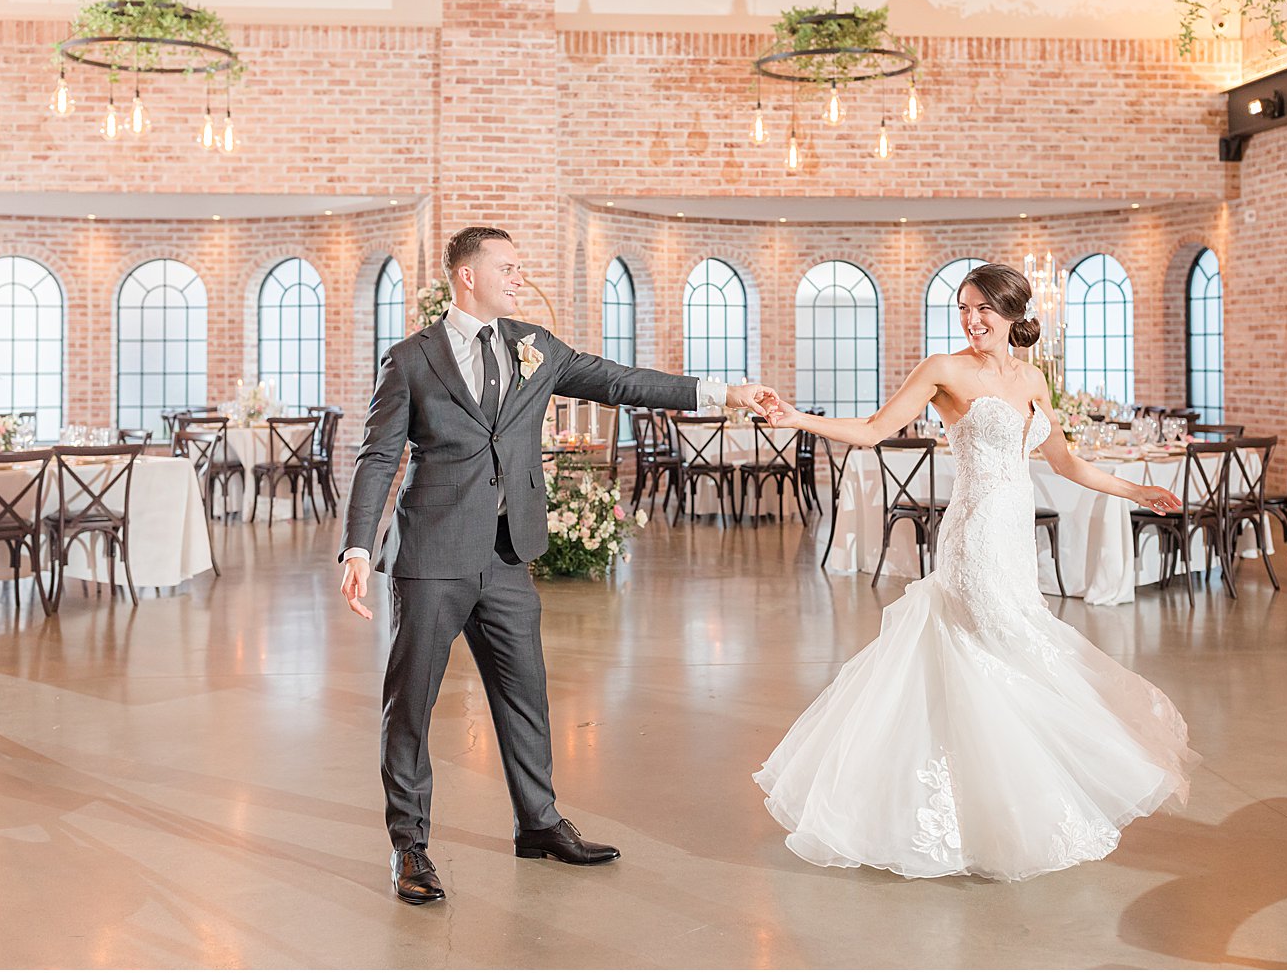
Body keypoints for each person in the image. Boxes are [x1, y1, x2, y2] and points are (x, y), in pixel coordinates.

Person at [341, 226, 779, 904]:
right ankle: (410, 847)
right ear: (467, 274)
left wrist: (723, 392)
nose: (519, 277)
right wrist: (359, 546)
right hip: (430, 557)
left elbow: (618, 380)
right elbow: (377, 456)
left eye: (520, 267)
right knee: (412, 706)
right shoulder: (409, 360)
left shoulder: (535, 346)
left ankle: (539, 823)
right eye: (507, 267)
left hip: (509, 554)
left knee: (527, 695)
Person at [756, 262, 1198, 882]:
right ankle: (975, 816)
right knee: (994, 651)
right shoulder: (944, 370)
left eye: (984, 309)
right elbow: (873, 430)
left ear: (1014, 314)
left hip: (1013, 537)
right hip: (974, 537)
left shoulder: (1033, 379)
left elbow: (1066, 464)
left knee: (1003, 658)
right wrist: (795, 419)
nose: (972, 320)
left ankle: (994, 807)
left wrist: (1137, 489)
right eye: (964, 308)